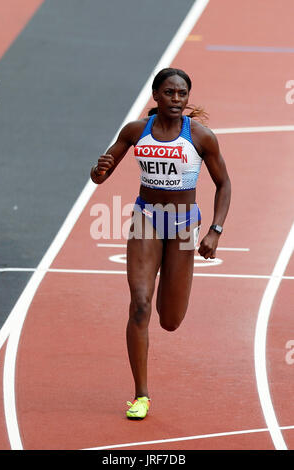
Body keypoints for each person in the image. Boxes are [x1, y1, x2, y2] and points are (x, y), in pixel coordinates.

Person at [90, 68, 231, 420]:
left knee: (169, 320)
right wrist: (98, 170)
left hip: (183, 228)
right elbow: (99, 175)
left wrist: (215, 229)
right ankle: (141, 396)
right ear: (156, 95)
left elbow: (224, 184)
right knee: (139, 305)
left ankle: (164, 322)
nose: (177, 100)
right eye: (169, 93)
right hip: (146, 222)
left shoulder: (201, 137)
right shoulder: (137, 131)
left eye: (182, 94)